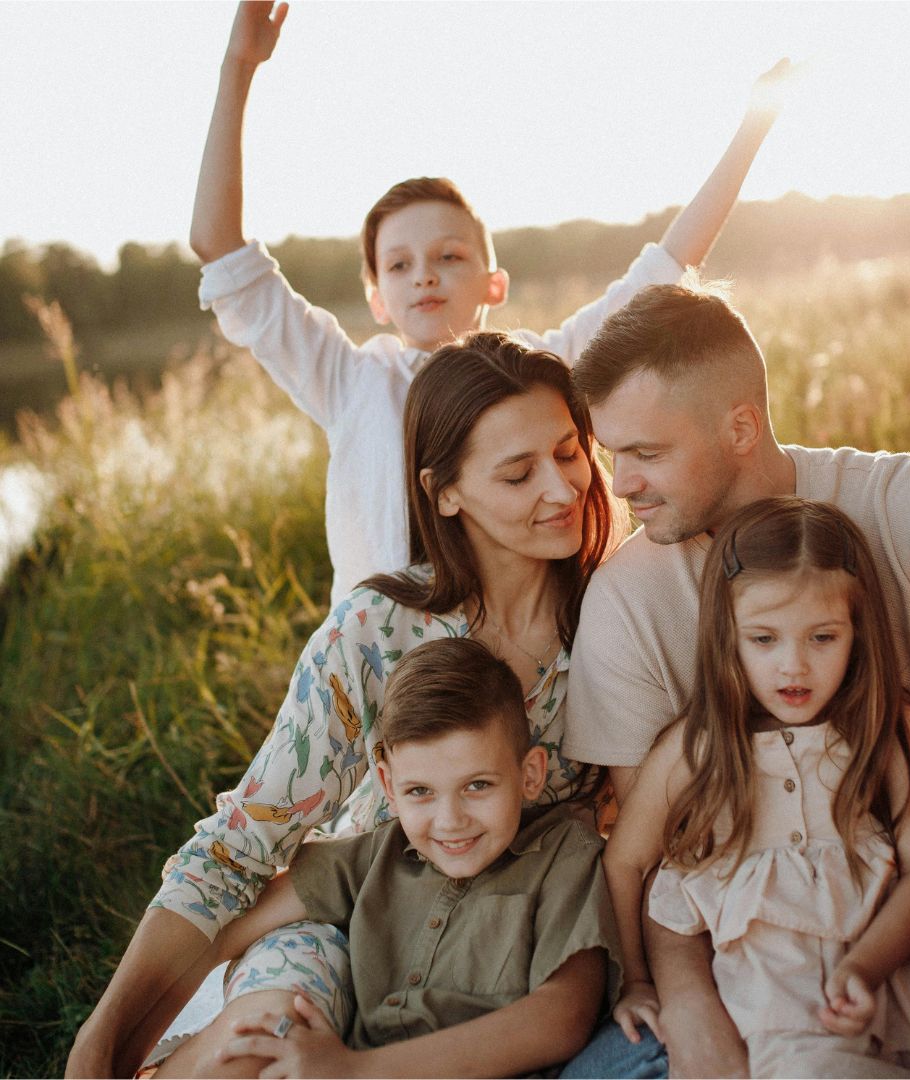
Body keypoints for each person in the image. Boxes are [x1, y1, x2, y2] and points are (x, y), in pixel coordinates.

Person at [561, 281, 910, 1078]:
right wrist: (690, 1001)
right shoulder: (628, 601)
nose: (619, 483)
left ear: (741, 426)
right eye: (610, 455)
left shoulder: (904, 501)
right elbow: (664, 856)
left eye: (647, 453)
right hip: (764, 958)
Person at [66, 333, 618, 1078]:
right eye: (519, 474)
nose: (562, 489)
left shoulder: (618, 624)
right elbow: (237, 848)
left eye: (569, 452)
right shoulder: (377, 631)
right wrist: (99, 1042)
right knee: (256, 1052)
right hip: (342, 918)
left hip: (511, 940)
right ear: (444, 491)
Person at [190, 1, 792, 606]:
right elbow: (222, 252)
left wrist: (754, 127)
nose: (424, 276)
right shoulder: (349, 380)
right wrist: (238, 67)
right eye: (400, 265)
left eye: (449, 256)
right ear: (377, 298)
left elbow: (667, 266)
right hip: (395, 663)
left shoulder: (545, 371)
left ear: (494, 284)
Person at [602, 496, 910, 1078]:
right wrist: (637, 981)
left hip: (899, 970)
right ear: (725, 636)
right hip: (781, 992)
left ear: (858, 633)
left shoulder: (887, 729)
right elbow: (625, 862)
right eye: (764, 640)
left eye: (822, 638)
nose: (794, 667)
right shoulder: (698, 747)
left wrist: (866, 966)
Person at [145, 637, 621, 1078]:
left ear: (530, 774)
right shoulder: (382, 854)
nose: (450, 820)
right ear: (390, 788)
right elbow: (226, 933)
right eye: (421, 792)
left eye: (478, 785)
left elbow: (561, 1018)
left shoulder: (564, 854)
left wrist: (354, 1071)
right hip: (347, 1063)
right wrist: (135, 1026)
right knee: (246, 1049)